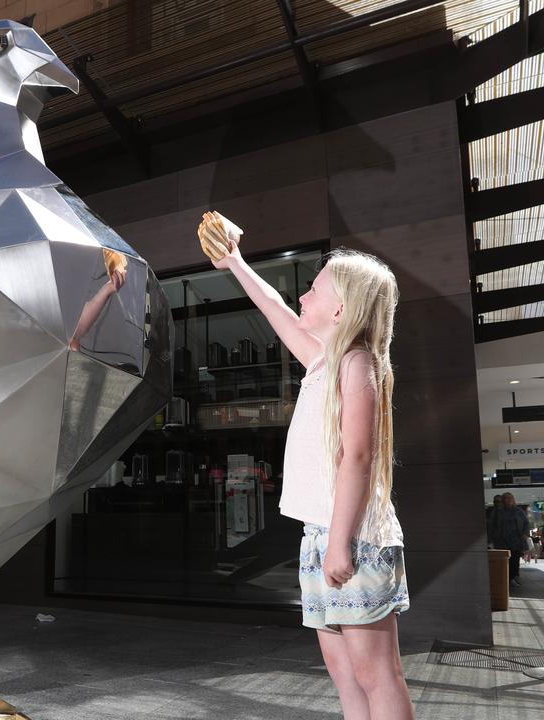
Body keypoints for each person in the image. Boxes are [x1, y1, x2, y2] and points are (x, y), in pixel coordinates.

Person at [211, 237, 413, 720]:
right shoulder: (323, 361)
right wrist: (235, 261)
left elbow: (358, 457)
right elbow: (276, 306)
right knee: (344, 673)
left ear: (341, 308)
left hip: (356, 537)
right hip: (321, 535)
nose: (303, 297)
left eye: (315, 290)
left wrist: (340, 542)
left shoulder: (358, 362)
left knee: (376, 673)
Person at [488, 492, 530, 588]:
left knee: (514, 562)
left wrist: (524, 534)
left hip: (516, 541)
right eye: (505, 498)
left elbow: (526, 523)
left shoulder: (519, 511)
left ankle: (511, 579)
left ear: (513, 500)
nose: (508, 500)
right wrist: (491, 540)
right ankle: (505, 580)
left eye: (509, 498)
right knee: (503, 562)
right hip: (501, 542)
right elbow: (492, 526)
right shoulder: (497, 512)